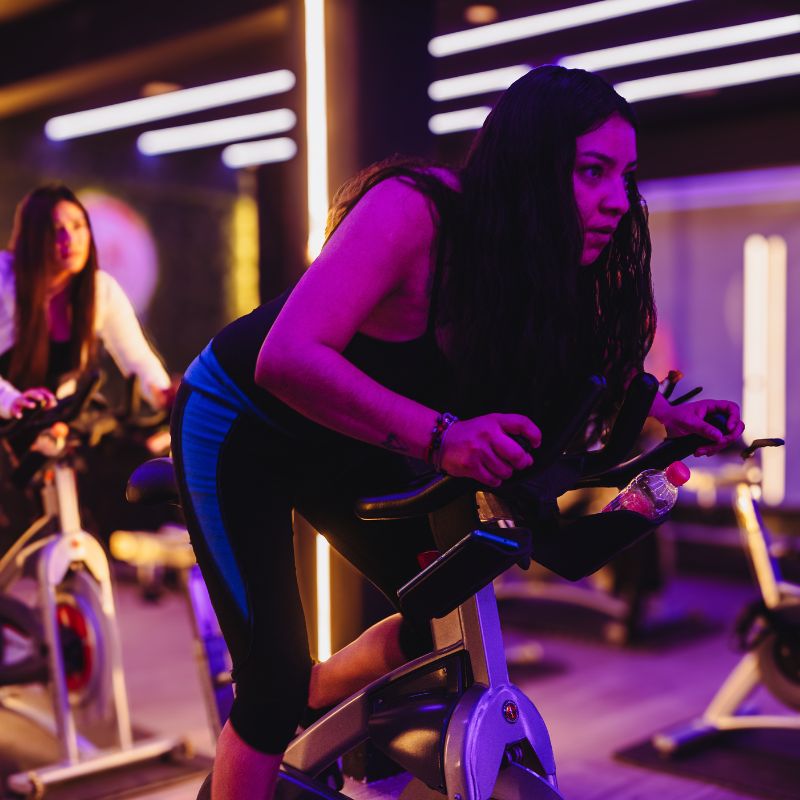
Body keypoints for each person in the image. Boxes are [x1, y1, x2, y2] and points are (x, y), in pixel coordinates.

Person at [170, 65, 744, 799]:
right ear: (532, 164)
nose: (613, 200)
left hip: (347, 436)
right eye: (591, 171)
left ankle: (317, 689)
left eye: (623, 175)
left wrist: (670, 414)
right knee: (268, 690)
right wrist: (442, 438)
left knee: (442, 609)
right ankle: (289, 693)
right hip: (241, 426)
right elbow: (288, 359)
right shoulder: (414, 211)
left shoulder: (536, 267)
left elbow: (583, 362)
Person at [0, 182, 171, 420]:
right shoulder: (3, 279)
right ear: (32, 237)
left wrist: (164, 396)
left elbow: (136, 358)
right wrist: (11, 401)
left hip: (48, 430)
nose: (69, 238)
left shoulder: (101, 289)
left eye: (78, 226)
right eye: (55, 229)